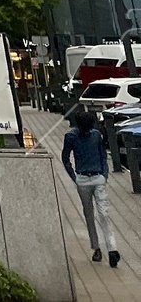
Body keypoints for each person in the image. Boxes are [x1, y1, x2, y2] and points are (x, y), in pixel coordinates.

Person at [63, 105, 122, 267]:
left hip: (96, 178)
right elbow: (66, 158)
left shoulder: (95, 135)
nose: (88, 131)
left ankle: (112, 249)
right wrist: (75, 178)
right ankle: (96, 247)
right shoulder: (71, 137)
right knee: (89, 214)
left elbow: (103, 155)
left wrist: (104, 174)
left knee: (104, 214)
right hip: (83, 178)